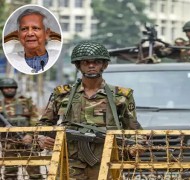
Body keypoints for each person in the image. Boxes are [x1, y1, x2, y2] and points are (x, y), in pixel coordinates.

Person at [38, 41, 144, 179]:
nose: (91, 65)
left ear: (104, 65)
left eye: (97, 62)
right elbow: (43, 124)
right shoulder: (62, 95)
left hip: (107, 162)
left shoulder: (121, 96)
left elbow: (135, 130)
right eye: (85, 62)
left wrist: (137, 145)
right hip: (69, 162)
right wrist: (41, 138)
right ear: (78, 66)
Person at [0, 77, 41, 179]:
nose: (9, 89)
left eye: (12, 87)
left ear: (16, 88)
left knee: (34, 171)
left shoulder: (26, 102)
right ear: (1, 90)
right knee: (10, 172)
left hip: (26, 140)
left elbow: (35, 119)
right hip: (7, 142)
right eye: (6, 88)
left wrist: (30, 135)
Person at [4, 8, 60, 74]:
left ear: (47, 33)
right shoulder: (13, 59)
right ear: (18, 34)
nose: (30, 33)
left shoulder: (54, 58)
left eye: (35, 28)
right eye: (24, 29)